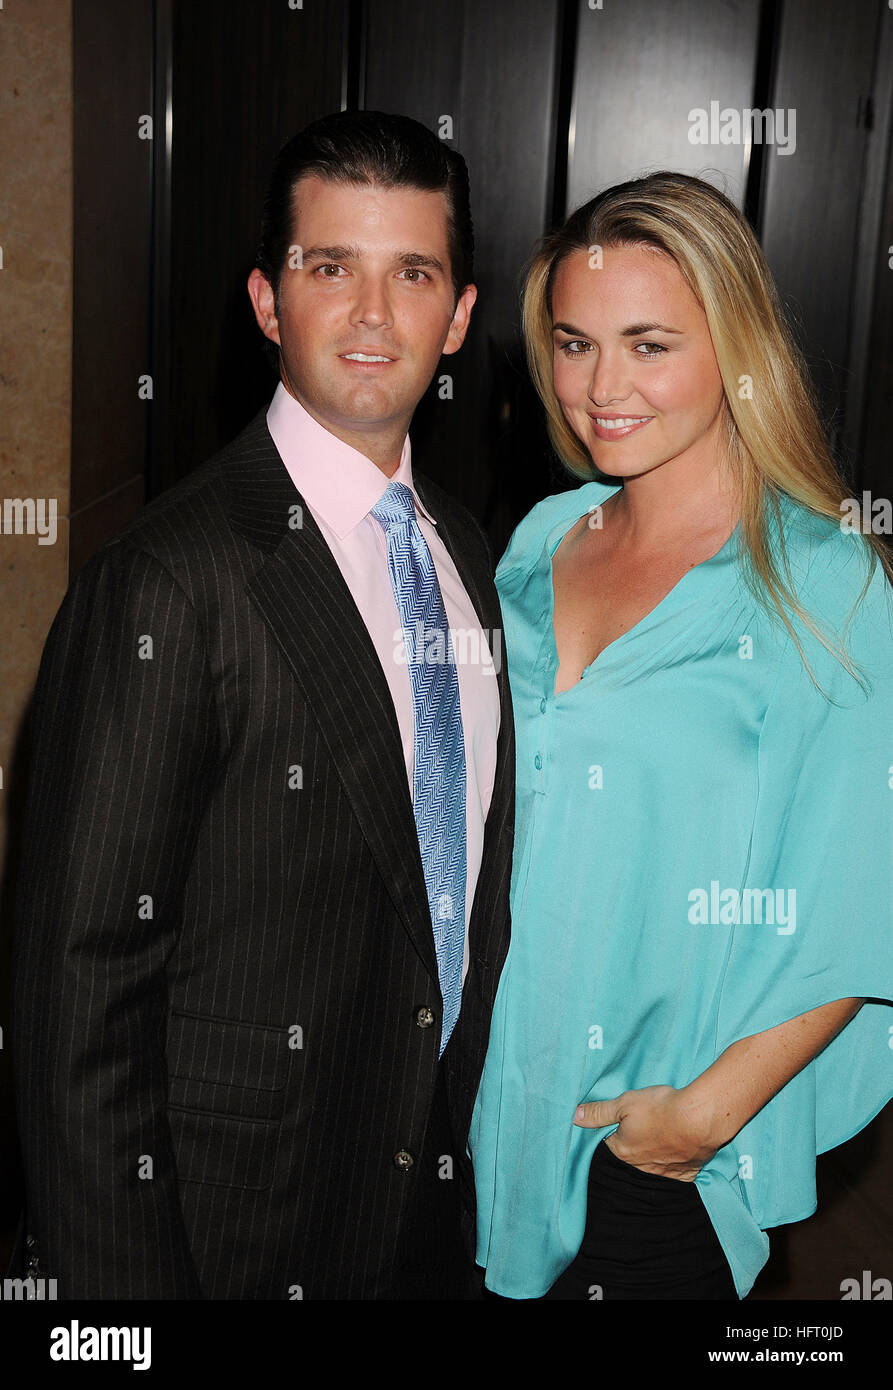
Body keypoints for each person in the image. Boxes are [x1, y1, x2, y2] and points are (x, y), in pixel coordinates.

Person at [11, 109, 514, 1300]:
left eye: (412, 274)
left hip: (429, 1208)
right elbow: (77, 990)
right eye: (329, 266)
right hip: (229, 1227)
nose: (372, 316)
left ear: (458, 317)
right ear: (265, 301)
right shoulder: (168, 580)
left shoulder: (470, 556)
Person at [469, 171, 893, 1301]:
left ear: (734, 351)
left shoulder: (821, 583)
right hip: (476, 1115)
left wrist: (692, 1124)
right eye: (572, 342)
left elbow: (859, 902)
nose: (599, 388)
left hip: (649, 1156)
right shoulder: (538, 539)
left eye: (647, 344)